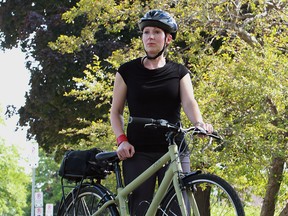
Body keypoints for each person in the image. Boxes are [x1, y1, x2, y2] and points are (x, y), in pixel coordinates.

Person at [110, 9, 213, 215]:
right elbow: (116, 111)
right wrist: (122, 140)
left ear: (168, 39)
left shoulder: (179, 72)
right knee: (141, 208)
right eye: (146, 32)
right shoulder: (126, 71)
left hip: (174, 149)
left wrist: (200, 123)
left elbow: (189, 102)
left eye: (156, 32)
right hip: (138, 151)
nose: (150, 37)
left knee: (177, 209)